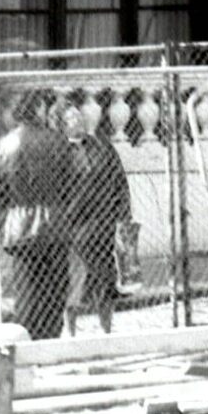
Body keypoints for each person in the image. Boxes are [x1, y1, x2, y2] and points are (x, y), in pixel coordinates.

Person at [0, 89, 72, 340]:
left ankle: (28, 336)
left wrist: (3, 224)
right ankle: (50, 337)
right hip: (54, 221)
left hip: (19, 222)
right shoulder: (57, 141)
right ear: (37, 109)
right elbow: (68, 184)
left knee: (27, 289)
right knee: (54, 288)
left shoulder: (3, 146)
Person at [59, 89, 132, 335]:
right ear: (62, 124)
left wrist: (124, 217)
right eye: (71, 118)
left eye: (79, 116)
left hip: (103, 227)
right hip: (74, 231)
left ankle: (106, 329)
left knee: (105, 282)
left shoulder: (102, 147)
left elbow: (120, 183)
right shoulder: (58, 152)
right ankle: (71, 331)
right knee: (74, 284)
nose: (78, 121)